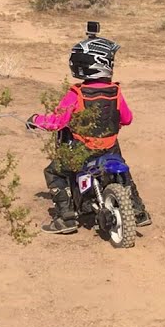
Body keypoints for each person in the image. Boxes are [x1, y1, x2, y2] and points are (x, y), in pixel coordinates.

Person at [28, 34, 150, 233]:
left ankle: (66, 218)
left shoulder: (76, 94)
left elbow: (57, 122)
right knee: (124, 173)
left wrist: (36, 120)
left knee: (54, 172)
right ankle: (138, 211)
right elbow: (127, 119)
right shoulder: (115, 91)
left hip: (82, 149)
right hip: (110, 146)